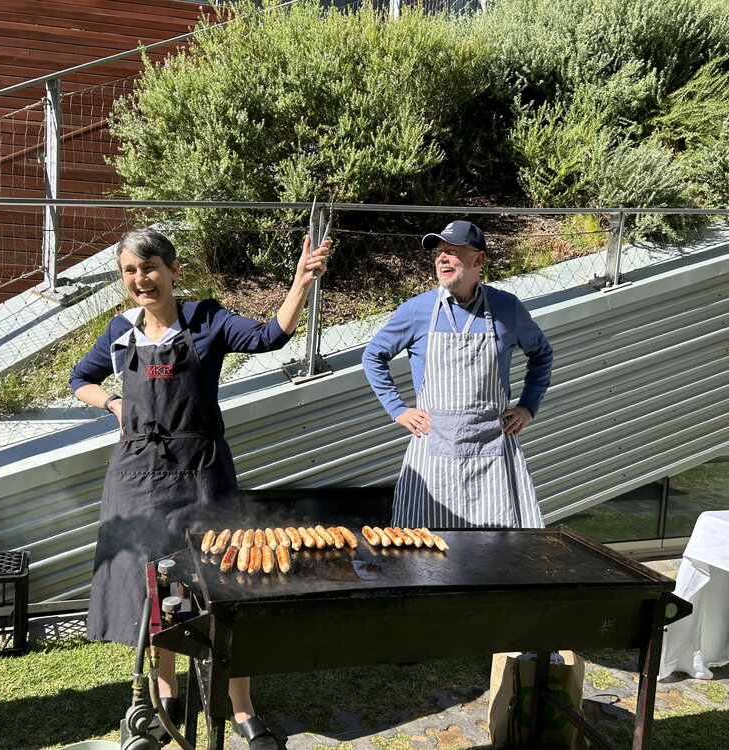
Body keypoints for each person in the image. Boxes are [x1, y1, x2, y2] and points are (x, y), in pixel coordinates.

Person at [70, 227, 329, 748]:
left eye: (150, 268)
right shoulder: (120, 331)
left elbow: (269, 336)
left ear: (172, 271)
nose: (141, 280)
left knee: (222, 588)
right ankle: (164, 697)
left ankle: (242, 710)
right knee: (155, 593)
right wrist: (113, 404)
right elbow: (81, 378)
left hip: (202, 472)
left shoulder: (207, 321)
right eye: (130, 271)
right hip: (137, 476)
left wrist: (300, 283)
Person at [362, 220, 552, 529]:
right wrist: (397, 409)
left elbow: (542, 354)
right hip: (432, 459)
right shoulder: (416, 311)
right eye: (438, 253)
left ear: (478, 260)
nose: (442, 259)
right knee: (424, 561)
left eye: (452, 251)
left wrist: (528, 405)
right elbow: (373, 356)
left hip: (494, 462)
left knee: (498, 559)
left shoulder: (507, 309)